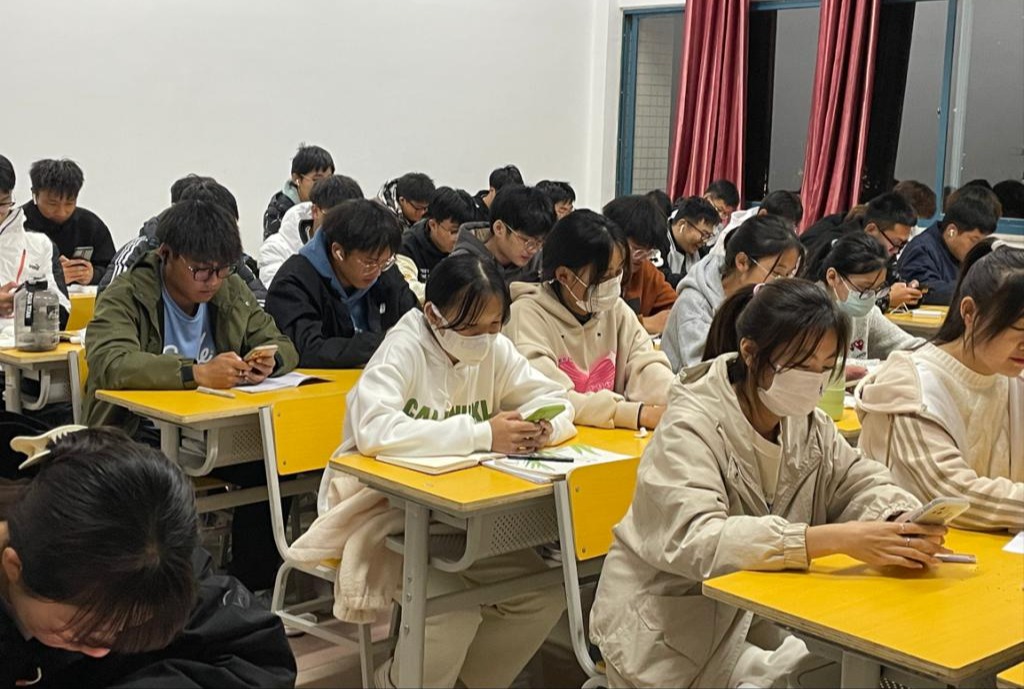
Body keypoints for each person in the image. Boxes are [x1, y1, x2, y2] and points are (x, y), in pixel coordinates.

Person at [591, 279, 944, 688]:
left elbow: (857, 480)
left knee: (855, 657)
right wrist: (826, 540)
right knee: (810, 674)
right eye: (801, 365)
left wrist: (897, 519)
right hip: (670, 629)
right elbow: (698, 539)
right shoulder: (690, 424)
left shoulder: (806, 422)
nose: (814, 380)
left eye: (825, 367)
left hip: (758, 613)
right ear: (751, 353)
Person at [310, 254, 574, 688]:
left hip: (458, 516)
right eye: (471, 328)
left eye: (495, 325)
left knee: (541, 594)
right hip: (387, 513)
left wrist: (544, 427)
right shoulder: (404, 347)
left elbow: (558, 398)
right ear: (433, 314)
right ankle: (393, 682)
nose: (484, 339)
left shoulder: (494, 347)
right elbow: (375, 430)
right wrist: (482, 434)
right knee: (452, 610)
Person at [83, 199, 298, 592]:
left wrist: (270, 361)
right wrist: (195, 373)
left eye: (222, 269)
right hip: (135, 430)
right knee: (158, 482)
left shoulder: (230, 291)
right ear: (167, 255)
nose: (212, 281)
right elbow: (112, 362)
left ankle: (251, 587)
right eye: (201, 270)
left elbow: (280, 342)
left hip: (211, 430)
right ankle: (163, 590)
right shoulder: (126, 295)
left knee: (274, 463)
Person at [0, 427, 296, 688]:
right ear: (14, 567)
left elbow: (258, 661)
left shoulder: (150, 559)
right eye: (77, 633)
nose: (102, 649)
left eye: (126, 629)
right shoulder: (60, 555)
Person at [857, 239, 1024, 531]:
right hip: (918, 552)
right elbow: (951, 494)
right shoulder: (912, 385)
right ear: (969, 312)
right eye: (1019, 330)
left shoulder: (1012, 376)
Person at [505, 210, 674, 430]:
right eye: (603, 277)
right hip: (560, 442)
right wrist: (636, 414)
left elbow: (646, 365)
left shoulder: (615, 310)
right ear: (564, 275)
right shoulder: (526, 316)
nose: (612, 284)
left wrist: (677, 396)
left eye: (617, 274)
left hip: (610, 440)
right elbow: (551, 398)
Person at [265, 199, 416, 369]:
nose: (377, 272)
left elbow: (415, 320)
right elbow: (307, 349)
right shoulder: (293, 283)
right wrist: (385, 341)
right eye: (369, 262)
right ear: (338, 252)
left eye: (385, 262)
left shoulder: (382, 267)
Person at [662, 215, 803, 372]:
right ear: (742, 262)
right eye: (777, 273)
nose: (782, 284)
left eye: (789, 275)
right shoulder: (695, 303)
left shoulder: (757, 300)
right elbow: (704, 371)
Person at [100, 177, 267, 300]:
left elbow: (260, 304)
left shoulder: (230, 260)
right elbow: (107, 306)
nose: (213, 282)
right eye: (201, 271)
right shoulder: (139, 251)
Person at [804, 233, 922, 378]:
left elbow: (910, 346)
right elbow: (821, 364)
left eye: (877, 289)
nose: (870, 297)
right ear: (832, 277)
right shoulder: (807, 311)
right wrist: (881, 365)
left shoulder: (866, 312)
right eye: (864, 288)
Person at [800, 191, 923, 311]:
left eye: (902, 245)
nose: (896, 251)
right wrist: (886, 300)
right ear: (871, 230)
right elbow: (834, 304)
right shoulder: (838, 249)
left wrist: (909, 291)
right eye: (895, 243)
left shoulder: (880, 248)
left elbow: (890, 280)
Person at [897, 184, 1002, 305]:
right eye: (974, 240)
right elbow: (927, 291)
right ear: (951, 231)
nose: (979, 248)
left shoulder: (968, 254)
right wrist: (980, 288)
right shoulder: (921, 250)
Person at [0, 155, 70, 335]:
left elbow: (62, 309)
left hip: (26, 346)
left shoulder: (40, 245)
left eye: (2, 203)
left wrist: (28, 303)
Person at [258, 174, 364, 289]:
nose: (340, 227)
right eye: (333, 217)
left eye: (348, 220)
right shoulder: (276, 248)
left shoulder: (363, 249)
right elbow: (279, 293)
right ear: (315, 211)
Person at [21, 159, 114, 287]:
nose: (62, 212)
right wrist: (52, 276)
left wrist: (93, 275)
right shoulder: (17, 225)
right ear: (35, 194)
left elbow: (114, 269)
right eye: (52, 204)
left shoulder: (91, 225)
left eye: (69, 203)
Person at [602, 195, 677, 335]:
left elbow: (676, 307)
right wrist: (644, 323)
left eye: (649, 252)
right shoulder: (595, 272)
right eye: (637, 250)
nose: (642, 259)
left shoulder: (645, 270)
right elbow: (596, 326)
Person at [451, 184, 554, 285]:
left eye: (540, 242)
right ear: (499, 228)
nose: (534, 250)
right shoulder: (461, 264)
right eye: (527, 241)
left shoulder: (537, 263)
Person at [397, 186, 477, 288]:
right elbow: (410, 289)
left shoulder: (471, 245)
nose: (461, 238)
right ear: (433, 225)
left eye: (467, 231)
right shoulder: (407, 248)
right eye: (454, 231)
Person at [262, 144, 334, 239]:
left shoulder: (333, 205)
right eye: (317, 180)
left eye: (329, 180)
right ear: (296, 179)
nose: (325, 186)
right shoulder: (278, 212)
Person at [707, 189, 804, 258]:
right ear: (763, 215)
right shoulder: (735, 235)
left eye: (791, 229)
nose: (784, 234)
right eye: (780, 228)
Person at [662, 195, 721, 287]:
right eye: (704, 234)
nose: (704, 241)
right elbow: (661, 279)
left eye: (708, 236)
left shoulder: (700, 252)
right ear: (682, 224)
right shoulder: (658, 242)